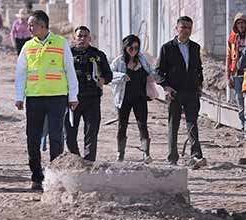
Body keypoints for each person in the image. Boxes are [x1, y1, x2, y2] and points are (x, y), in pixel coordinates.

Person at [14, 10, 78, 191]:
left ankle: (55, 176)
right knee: (32, 138)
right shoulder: (28, 46)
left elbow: (70, 70)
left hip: (57, 97)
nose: (29, 28)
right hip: (34, 98)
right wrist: (19, 96)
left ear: (42, 25)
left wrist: (73, 96)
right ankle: (36, 176)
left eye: (31, 25)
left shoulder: (61, 43)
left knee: (56, 137)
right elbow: (21, 73)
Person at [156, 16, 206, 168]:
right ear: (177, 28)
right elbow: (158, 71)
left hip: (191, 92)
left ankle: (196, 156)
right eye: (183, 27)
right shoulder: (167, 48)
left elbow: (198, 68)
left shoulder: (195, 47)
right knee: (174, 125)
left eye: (189, 27)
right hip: (175, 93)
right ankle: (172, 157)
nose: (186, 30)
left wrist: (199, 84)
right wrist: (166, 87)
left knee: (192, 124)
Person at [64, 26, 112, 162]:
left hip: (92, 99)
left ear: (89, 39)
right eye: (80, 36)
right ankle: (76, 160)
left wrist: (103, 79)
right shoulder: (67, 54)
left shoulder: (97, 55)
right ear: (74, 38)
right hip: (72, 100)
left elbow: (109, 75)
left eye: (85, 36)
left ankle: (89, 162)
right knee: (69, 133)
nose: (82, 39)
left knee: (91, 133)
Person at [110, 34, 159, 163]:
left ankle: (146, 153)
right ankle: (120, 153)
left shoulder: (142, 60)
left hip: (140, 98)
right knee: (122, 125)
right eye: (130, 48)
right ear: (125, 47)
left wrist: (152, 76)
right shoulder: (118, 62)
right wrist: (121, 76)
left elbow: (152, 72)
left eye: (136, 48)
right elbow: (109, 75)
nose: (133, 50)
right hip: (123, 99)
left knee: (142, 124)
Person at [228, 13, 246, 134]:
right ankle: (243, 124)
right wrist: (228, 76)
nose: (241, 25)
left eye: (243, 23)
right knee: (239, 101)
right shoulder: (233, 39)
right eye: (239, 23)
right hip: (237, 74)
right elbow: (229, 57)